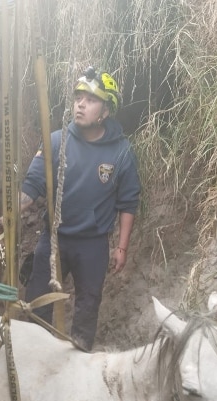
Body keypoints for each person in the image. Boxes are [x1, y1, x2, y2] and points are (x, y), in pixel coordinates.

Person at [20, 66, 141, 351]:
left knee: (87, 308)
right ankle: (33, 359)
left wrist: (121, 247)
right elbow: (32, 186)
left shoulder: (121, 151)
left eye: (90, 100)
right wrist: (8, 216)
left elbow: (128, 202)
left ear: (105, 111)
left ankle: (79, 359)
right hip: (52, 240)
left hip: (93, 246)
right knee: (37, 306)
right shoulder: (56, 141)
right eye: (78, 98)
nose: (81, 105)